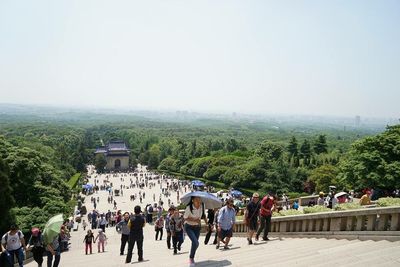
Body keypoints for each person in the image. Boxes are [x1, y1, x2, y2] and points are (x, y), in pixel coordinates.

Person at [183, 196, 207, 267]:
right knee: (196, 243)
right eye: (197, 200)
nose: (198, 201)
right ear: (193, 200)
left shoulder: (202, 206)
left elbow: (203, 215)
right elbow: (185, 218)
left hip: (197, 227)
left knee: (195, 243)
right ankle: (191, 258)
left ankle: (192, 257)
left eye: (199, 200)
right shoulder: (189, 207)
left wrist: (207, 224)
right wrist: (194, 220)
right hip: (189, 227)